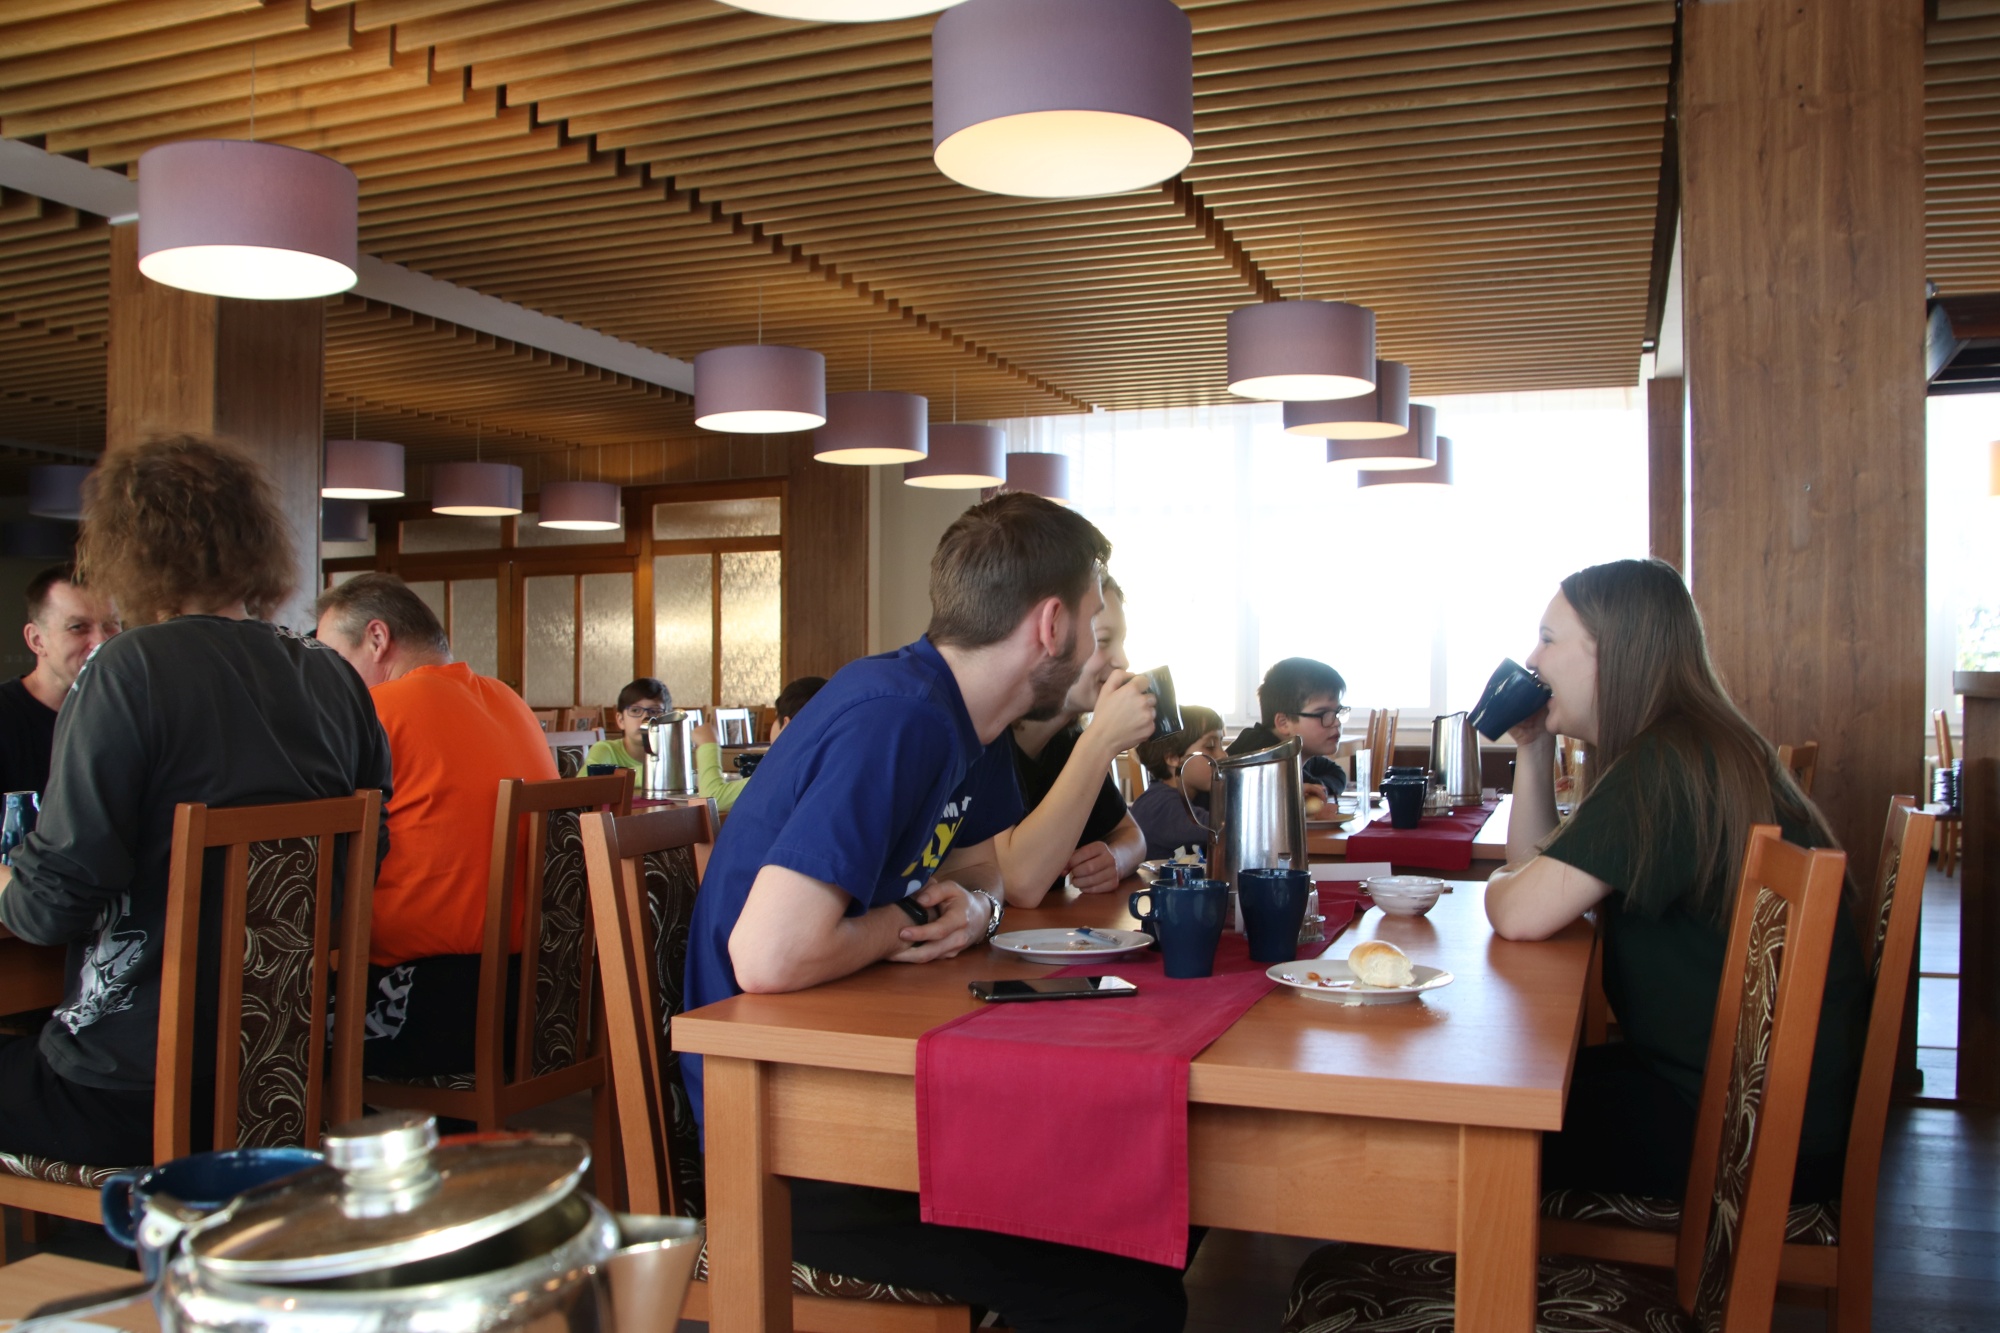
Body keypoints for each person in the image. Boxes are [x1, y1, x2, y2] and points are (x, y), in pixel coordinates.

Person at [684, 492, 1181, 1333]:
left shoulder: (959, 718)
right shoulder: (898, 718)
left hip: (848, 1074)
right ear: (1051, 624)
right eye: (1096, 617)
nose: (1105, 650)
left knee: (1138, 1192)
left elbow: (996, 871)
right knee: (1129, 1277)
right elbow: (769, 954)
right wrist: (911, 917)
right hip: (786, 1133)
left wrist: (977, 907)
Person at [0, 435, 391, 1168]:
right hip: (285, 1074)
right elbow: (360, 868)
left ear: (128, 548)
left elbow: (52, 907)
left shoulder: (127, 670)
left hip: (133, 1089)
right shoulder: (333, 677)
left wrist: (8, 886)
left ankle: (111, 1234)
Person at [1484, 558, 1867, 1204]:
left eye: (1548, 639)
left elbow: (1519, 911)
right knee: (1515, 1084)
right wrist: (1533, 747)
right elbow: (1535, 875)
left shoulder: (1666, 767)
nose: (1532, 660)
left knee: (1490, 1116)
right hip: (1751, 1102)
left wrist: (1499, 883)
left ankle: (1436, 1265)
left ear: (1613, 652)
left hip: (1744, 1132)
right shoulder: (1682, 746)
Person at [313, 573, 558, 1079]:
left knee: (263, 1028)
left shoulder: (376, 711)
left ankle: (369, 1131)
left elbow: (317, 846)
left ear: (377, 638)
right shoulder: (509, 701)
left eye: (331, 658)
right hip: (537, 997)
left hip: (426, 1005)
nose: (328, 678)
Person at [992, 575, 1154, 906]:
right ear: (1047, 635)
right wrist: (1102, 740)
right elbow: (1017, 882)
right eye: (1103, 640)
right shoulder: (986, 737)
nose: (1122, 660)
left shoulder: (1067, 740)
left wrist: (1115, 858)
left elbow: (1132, 835)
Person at [0, 565, 121, 795]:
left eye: (110, 625)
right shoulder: (6, 718)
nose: (100, 641)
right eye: (78, 628)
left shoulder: (130, 715)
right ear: (37, 640)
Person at [688, 675, 827, 812]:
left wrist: (708, 744)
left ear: (786, 725)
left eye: (775, 716)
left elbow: (713, 799)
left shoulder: (787, 773)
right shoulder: (824, 767)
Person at [1225, 657, 1349, 797]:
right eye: (1323, 713)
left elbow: (1336, 773)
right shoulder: (1259, 760)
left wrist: (1317, 788)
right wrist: (1309, 789)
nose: (1336, 722)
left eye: (1337, 712)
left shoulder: (1296, 750)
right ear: (1284, 723)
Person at [1129, 706, 1225, 860]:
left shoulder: (1201, 796)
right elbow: (1224, 828)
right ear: (1173, 757)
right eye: (1210, 746)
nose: (1223, 755)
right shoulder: (1158, 806)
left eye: (1221, 743)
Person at [584, 678, 672, 774]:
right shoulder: (605, 750)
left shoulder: (674, 755)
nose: (645, 718)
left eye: (654, 711)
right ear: (621, 720)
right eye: (635, 710)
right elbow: (586, 783)